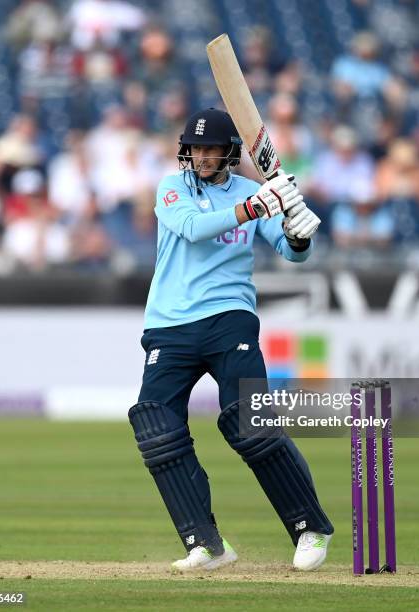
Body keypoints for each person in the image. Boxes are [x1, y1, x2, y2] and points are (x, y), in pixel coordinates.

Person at [127, 108, 333, 572]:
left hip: (230, 318)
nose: (200, 156)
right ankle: (205, 543)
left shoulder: (252, 192)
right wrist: (256, 206)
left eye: (210, 149)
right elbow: (194, 229)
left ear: (228, 153)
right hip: (170, 322)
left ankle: (309, 528)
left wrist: (297, 234)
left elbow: (291, 253)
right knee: (156, 427)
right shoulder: (171, 187)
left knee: (249, 419)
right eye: (194, 148)